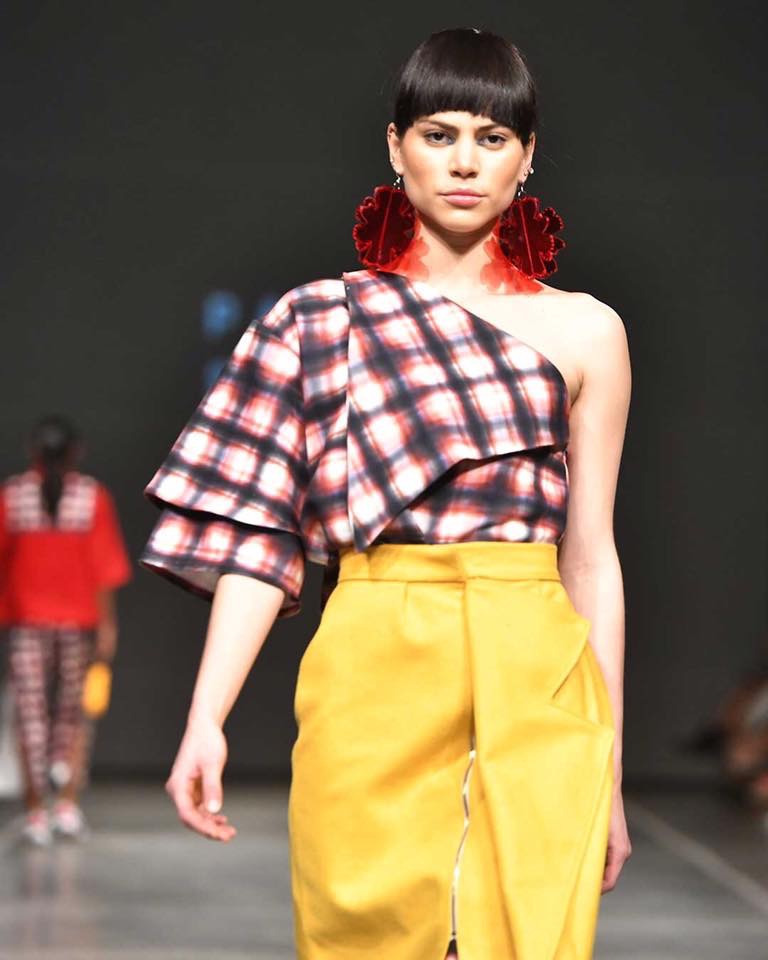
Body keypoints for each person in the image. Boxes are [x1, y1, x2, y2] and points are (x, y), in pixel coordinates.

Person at [141, 27, 632, 960]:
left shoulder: (587, 332)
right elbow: (259, 536)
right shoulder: (317, 322)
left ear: (526, 158)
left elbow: (591, 557)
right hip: (373, 659)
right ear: (396, 147)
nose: (464, 162)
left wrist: (608, 768)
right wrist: (207, 716)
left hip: (537, 668)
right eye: (439, 134)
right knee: (359, 935)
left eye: (492, 139)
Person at [0, 415, 131, 844]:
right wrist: (108, 626)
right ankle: (67, 805)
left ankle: (37, 812)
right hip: (78, 623)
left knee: (30, 717)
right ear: (76, 452)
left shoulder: (13, 496)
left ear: (33, 451)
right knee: (73, 716)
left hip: (26, 623)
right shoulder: (91, 498)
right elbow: (104, 570)